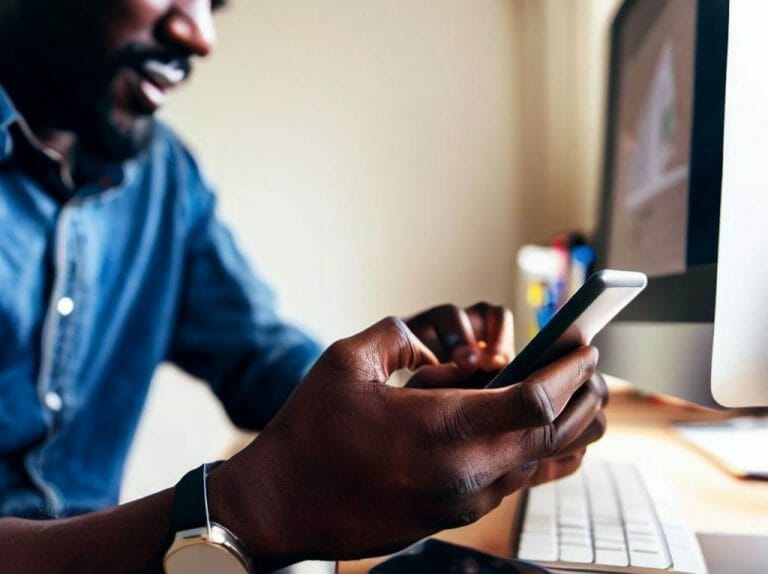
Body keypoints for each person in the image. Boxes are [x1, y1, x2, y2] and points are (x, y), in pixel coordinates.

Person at [0, 1, 608, 572]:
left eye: (212, 4)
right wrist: (247, 508)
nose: (199, 35)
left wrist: (407, 400)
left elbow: (261, 356)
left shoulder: (164, 180)